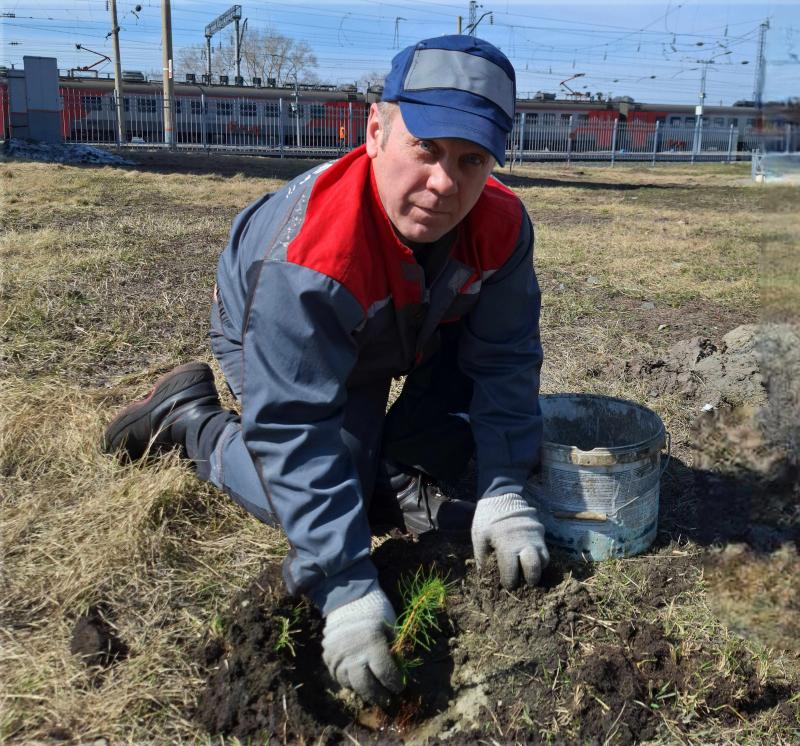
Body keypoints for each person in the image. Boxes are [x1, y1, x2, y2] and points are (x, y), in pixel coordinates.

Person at [103, 35, 548, 706]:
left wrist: (506, 487)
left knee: (401, 478)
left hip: (410, 321)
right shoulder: (310, 254)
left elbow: (505, 358)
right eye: (425, 149)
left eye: (471, 160)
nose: (444, 183)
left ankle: (401, 474)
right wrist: (343, 587)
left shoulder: (501, 225)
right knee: (331, 484)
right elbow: (293, 424)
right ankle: (192, 424)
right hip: (290, 337)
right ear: (376, 131)